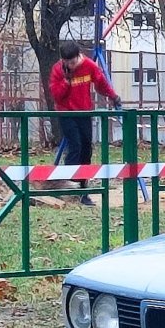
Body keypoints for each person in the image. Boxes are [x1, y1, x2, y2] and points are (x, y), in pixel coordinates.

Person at [48, 42, 121, 207]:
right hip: (66, 113)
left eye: (73, 62)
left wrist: (113, 96)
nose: (71, 66)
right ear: (63, 60)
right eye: (68, 63)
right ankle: (71, 188)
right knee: (76, 146)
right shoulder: (58, 70)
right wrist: (66, 81)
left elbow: (101, 82)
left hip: (84, 112)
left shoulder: (88, 65)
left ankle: (83, 188)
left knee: (86, 148)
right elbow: (56, 95)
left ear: (78, 56)